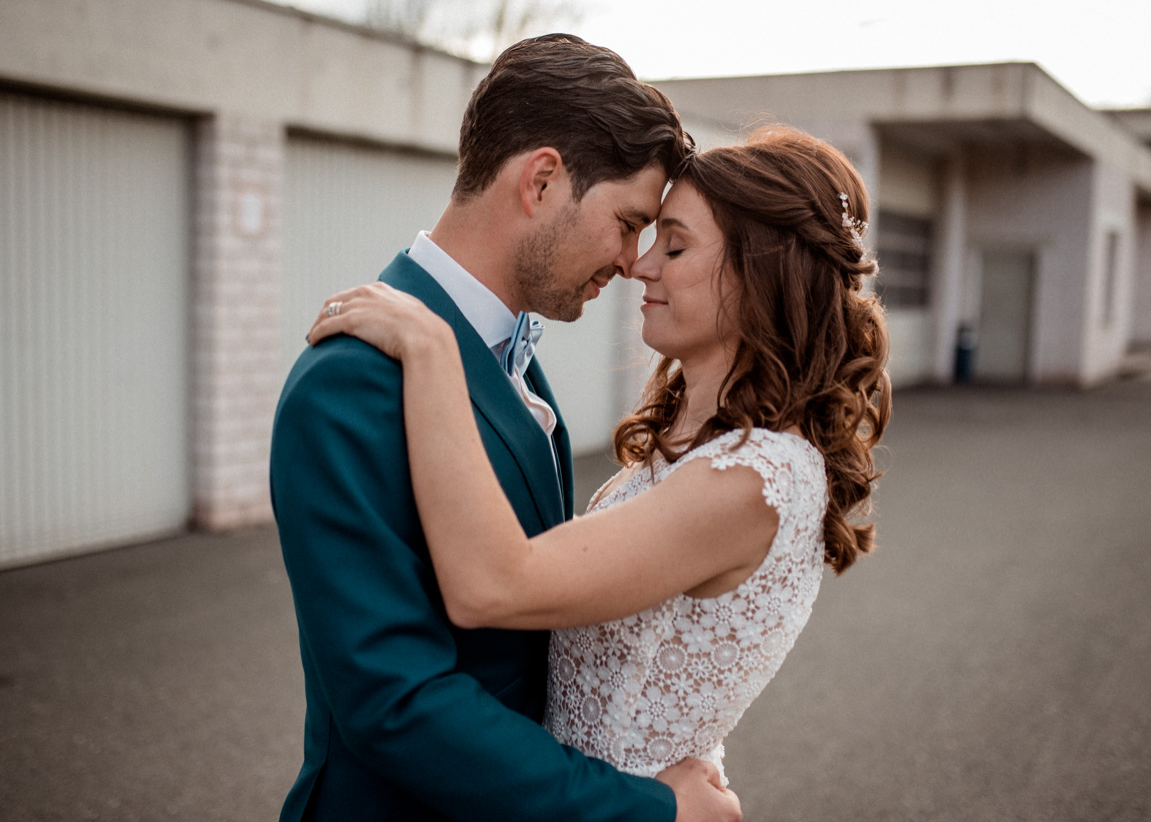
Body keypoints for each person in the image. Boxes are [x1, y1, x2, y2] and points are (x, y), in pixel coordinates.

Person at [306, 125, 892, 789]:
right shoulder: (704, 443)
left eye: (674, 244)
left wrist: (434, 348)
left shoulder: (757, 476)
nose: (639, 265)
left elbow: (494, 584)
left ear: (761, 273)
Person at [270, 33, 741, 822]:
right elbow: (399, 702)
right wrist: (645, 810)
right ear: (544, 180)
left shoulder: (508, 356)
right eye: (628, 222)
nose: (633, 261)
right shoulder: (350, 384)